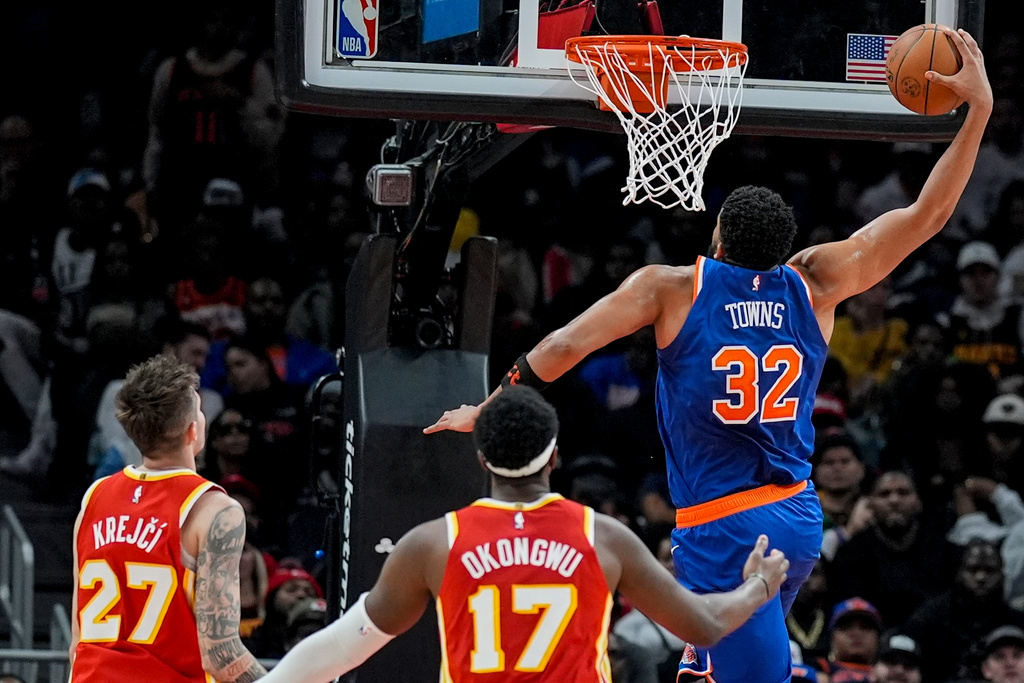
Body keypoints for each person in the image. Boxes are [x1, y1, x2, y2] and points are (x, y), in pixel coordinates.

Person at [425, 26, 992, 683]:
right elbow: (928, 214)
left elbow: (563, 345)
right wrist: (977, 107)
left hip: (725, 530)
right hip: (800, 516)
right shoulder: (818, 282)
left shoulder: (672, 288)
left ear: (717, 238)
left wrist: (488, 409)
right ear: (783, 247)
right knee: (715, 663)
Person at [258, 386, 790, 683]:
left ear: (482, 457)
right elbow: (703, 625)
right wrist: (759, 587)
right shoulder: (604, 537)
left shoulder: (433, 543)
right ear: (556, 456)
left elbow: (342, 648)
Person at [69, 354, 266, 683]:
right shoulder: (214, 509)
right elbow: (221, 654)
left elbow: (77, 643)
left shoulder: (95, 497)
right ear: (193, 429)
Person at [814, 597, 884, 683]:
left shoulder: (890, 675)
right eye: (846, 628)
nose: (856, 633)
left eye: (865, 627)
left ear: (878, 637)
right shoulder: (816, 670)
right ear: (832, 637)